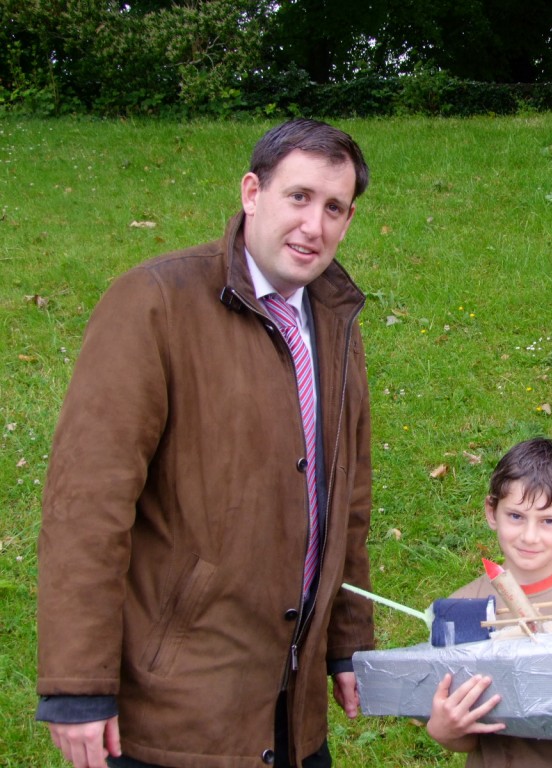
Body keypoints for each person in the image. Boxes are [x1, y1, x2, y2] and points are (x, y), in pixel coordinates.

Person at [35, 118, 375, 768]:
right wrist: (77, 686)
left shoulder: (335, 321)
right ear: (252, 192)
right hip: (179, 713)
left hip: (292, 717)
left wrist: (346, 642)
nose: (315, 225)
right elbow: (87, 504)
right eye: (298, 197)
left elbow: (348, 498)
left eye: (334, 207)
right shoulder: (154, 303)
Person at [426, 437, 552, 768]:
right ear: (491, 512)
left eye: (549, 521)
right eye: (515, 516)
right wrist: (444, 729)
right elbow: (467, 730)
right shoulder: (462, 607)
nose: (529, 536)